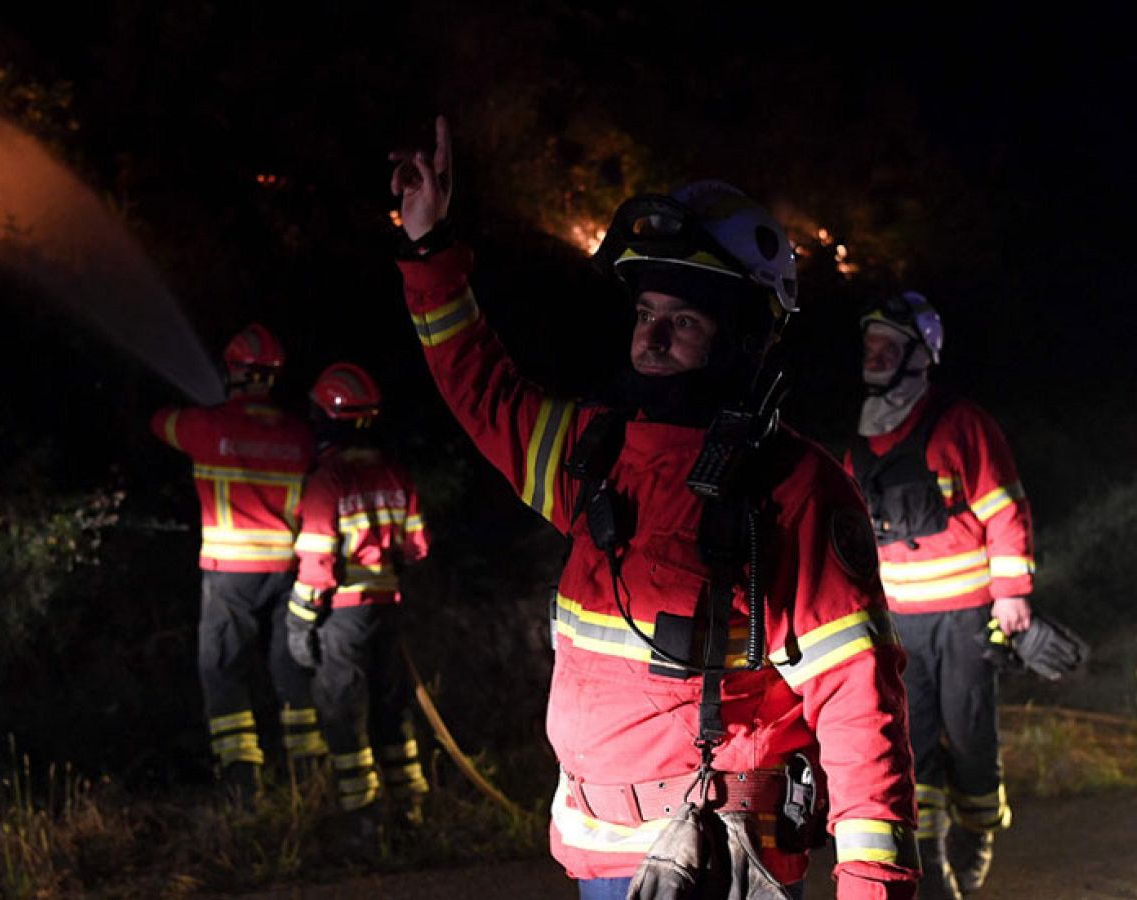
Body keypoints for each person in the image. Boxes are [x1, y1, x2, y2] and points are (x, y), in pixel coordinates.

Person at [389, 117, 919, 899]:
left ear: (742, 340)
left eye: (686, 321)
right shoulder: (596, 453)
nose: (654, 338)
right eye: (645, 314)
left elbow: (859, 704)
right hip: (596, 858)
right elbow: (481, 390)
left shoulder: (793, 489)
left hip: (720, 865)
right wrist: (429, 250)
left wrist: (875, 886)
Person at [845, 293, 1034, 898]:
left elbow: (1005, 509)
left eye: (888, 346)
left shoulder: (961, 424)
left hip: (967, 615)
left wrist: (1011, 594)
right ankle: (929, 857)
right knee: (910, 740)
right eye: (869, 344)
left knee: (971, 732)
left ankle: (977, 828)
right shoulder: (861, 437)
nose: (874, 355)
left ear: (919, 356)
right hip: (899, 621)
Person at [150, 323, 325, 806]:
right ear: (274, 376)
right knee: (289, 668)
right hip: (287, 571)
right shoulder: (299, 434)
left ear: (231, 371)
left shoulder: (207, 426)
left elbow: (160, 422)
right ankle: (307, 774)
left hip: (229, 574)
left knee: (222, 669)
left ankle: (242, 778)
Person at [285, 361, 432, 849]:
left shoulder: (328, 479)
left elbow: (317, 563)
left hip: (342, 616)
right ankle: (410, 811)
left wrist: (300, 623)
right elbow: (417, 548)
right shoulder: (395, 471)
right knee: (393, 708)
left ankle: (363, 822)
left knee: (343, 713)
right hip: (388, 609)